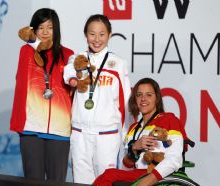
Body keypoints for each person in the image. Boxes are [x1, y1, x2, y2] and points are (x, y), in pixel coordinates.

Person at [63, 14, 131, 184]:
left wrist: (126, 135)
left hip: (107, 135)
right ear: (86, 34)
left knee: (106, 181)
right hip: (79, 134)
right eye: (92, 34)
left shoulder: (118, 63)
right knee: (81, 181)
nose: (97, 39)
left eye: (102, 34)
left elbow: (125, 102)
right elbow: (68, 73)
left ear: (109, 34)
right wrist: (74, 79)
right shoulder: (77, 59)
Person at [10, 8, 74, 181]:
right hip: (31, 129)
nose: (45, 32)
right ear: (33, 30)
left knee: (57, 182)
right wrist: (33, 45)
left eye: (50, 27)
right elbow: (21, 80)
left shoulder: (68, 55)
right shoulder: (26, 51)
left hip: (59, 129)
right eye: (40, 27)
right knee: (33, 181)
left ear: (57, 29)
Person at [93, 77, 187, 186]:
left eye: (149, 95)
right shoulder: (134, 128)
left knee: (109, 175)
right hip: (137, 174)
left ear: (157, 98)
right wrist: (134, 149)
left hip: (157, 175)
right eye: (139, 95)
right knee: (107, 175)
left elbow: (175, 159)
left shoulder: (169, 120)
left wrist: (147, 181)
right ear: (135, 99)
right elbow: (126, 166)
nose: (143, 99)